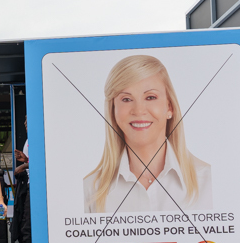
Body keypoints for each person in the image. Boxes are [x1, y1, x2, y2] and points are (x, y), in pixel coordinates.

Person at [83, 54, 212, 213]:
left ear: (169, 107)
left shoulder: (208, 182)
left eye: (150, 97)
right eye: (126, 99)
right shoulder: (91, 191)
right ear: (113, 111)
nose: (139, 110)